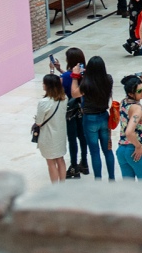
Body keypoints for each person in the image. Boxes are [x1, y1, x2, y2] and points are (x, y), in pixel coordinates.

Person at [73, 56, 115, 180]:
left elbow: (74, 93)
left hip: (90, 119)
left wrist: (75, 76)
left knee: (95, 152)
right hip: (104, 117)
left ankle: (98, 180)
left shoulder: (86, 84)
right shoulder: (109, 79)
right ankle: (112, 178)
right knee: (108, 150)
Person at [115, 74, 142, 181]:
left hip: (122, 150)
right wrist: (138, 146)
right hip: (135, 152)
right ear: (131, 94)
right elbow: (129, 132)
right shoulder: (137, 109)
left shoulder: (124, 102)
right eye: (139, 91)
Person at [58, 48, 89, 178]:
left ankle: (74, 166)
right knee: (83, 137)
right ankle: (85, 163)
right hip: (84, 110)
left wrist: (55, 71)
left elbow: (61, 84)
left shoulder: (64, 77)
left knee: (72, 140)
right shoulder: (87, 75)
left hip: (70, 112)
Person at [34, 75, 68, 183]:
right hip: (60, 135)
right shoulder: (64, 98)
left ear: (48, 86)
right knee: (60, 159)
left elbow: (39, 122)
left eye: (44, 83)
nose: (42, 85)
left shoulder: (43, 102)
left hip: (48, 136)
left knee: (51, 162)